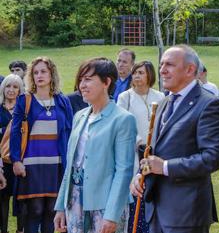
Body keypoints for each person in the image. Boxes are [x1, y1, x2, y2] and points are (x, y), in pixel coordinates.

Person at [130, 45, 219, 233]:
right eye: (161, 64)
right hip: (156, 211)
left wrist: (165, 167)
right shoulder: (164, 102)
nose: (162, 70)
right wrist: (142, 174)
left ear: (190, 70)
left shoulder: (209, 104)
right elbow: (157, 152)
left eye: (170, 65)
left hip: (186, 213)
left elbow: (213, 158)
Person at [53, 58, 137, 233]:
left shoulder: (123, 119)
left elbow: (124, 171)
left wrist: (112, 214)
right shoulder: (80, 116)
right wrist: (61, 205)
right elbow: (71, 166)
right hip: (75, 201)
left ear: (106, 82)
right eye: (81, 80)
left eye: (88, 79)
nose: (82, 85)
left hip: (106, 204)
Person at [11, 57, 73, 233]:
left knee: (51, 211)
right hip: (31, 165)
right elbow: (15, 133)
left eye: (43, 71)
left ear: (51, 74)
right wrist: (16, 160)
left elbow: (69, 132)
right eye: (35, 72)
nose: (39, 75)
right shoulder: (25, 100)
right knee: (35, 210)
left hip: (56, 164)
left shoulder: (62, 101)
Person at [117, 61, 164, 233]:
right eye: (135, 72)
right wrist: (139, 142)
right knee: (137, 191)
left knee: (153, 191)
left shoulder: (159, 96)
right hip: (134, 151)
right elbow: (121, 124)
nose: (137, 76)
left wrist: (154, 144)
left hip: (155, 152)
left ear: (149, 75)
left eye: (141, 73)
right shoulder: (125, 97)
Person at [0, 75, 20, 233]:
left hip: (19, 162)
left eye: (15, 87)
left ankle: (21, 229)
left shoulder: (23, 109)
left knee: (21, 200)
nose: (11, 90)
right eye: (8, 86)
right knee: (2, 199)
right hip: (2, 163)